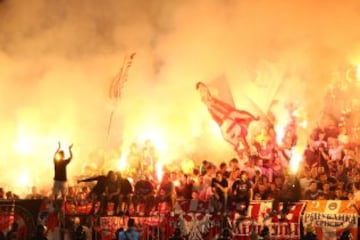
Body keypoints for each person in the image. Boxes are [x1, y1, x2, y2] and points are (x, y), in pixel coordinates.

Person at [196, 81, 259, 154]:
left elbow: (226, 136)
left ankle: (202, 90)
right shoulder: (243, 131)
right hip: (225, 116)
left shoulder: (235, 140)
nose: (203, 89)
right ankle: (202, 88)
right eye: (200, 89)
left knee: (210, 106)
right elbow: (242, 118)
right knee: (211, 104)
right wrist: (253, 118)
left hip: (225, 117)